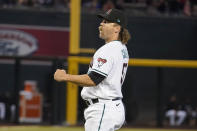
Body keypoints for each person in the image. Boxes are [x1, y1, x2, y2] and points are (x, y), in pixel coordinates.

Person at [54, 8, 131, 131]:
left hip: (103, 108)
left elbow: (93, 79)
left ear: (117, 28)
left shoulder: (108, 49)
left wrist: (64, 77)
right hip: (111, 106)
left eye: (106, 22)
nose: (101, 24)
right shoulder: (122, 48)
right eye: (102, 21)